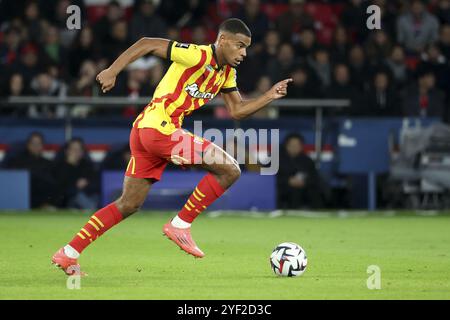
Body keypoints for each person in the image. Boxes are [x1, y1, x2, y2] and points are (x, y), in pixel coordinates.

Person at [52, 18, 293, 275]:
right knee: (230, 169)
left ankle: (69, 253)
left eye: (246, 47)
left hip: (145, 131)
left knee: (128, 204)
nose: (244, 53)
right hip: (160, 130)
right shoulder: (197, 55)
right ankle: (180, 224)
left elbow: (237, 110)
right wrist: (113, 70)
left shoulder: (226, 74)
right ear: (222, 40)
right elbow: (147, 44)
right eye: (239, 45)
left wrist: (269, 95)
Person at [277, 134, 323, 209]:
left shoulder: (307, 161)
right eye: (292, 145)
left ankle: (317, 215)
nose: (294, 148)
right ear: (286, 145)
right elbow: (270, 178)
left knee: (314, 191)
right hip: (283, 186)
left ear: (301, 147)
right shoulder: (275, 159)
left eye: (297, 145)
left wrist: (304, 182)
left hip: (303, 187)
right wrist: (288, 181)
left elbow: (314, 177)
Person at [52, 138, 99, 210]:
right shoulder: (59, 166)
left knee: (95, 197)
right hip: (67, 199)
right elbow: (59, 187)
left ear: (83, 152)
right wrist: (69, 165)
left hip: (87, 195)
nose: (76, 152)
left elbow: (95, 185)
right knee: (78, 197)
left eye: (79, 149)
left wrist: (87, 183)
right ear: (67, 151)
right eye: (73, 149)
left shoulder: (88, 165)